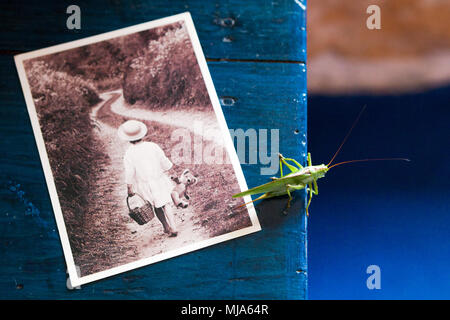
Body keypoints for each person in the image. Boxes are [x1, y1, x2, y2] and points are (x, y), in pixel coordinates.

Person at [118, 120, 177, 237]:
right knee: (165, 203)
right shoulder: (152, 146)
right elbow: (163, 160)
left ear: (128, 139)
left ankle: (166, 226)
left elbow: (129, 171)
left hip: (145, 184)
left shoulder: (129, 153)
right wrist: (167, 168)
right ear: (142, 135)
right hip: (159, 180)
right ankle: (174, 226)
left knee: (156, 206)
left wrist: (129, 187)